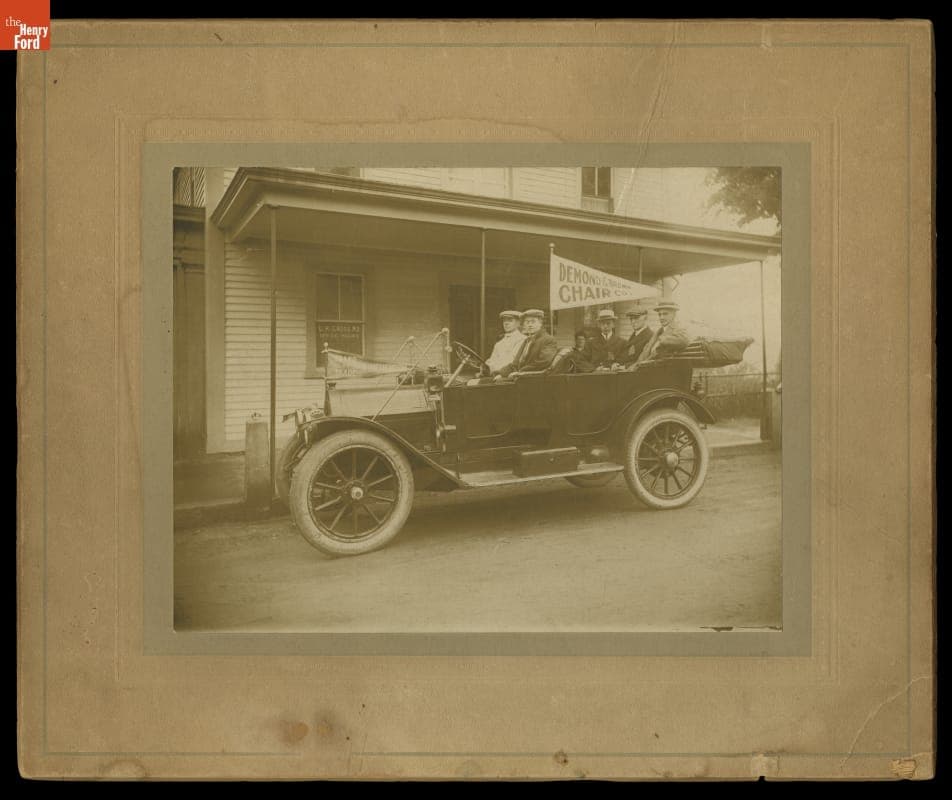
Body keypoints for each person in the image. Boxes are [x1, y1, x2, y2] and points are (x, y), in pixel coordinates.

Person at [494, 309, 559, 379]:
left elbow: (543, 362)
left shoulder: (548, 340)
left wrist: (520, 372)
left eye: (533, 322)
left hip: (537, 379)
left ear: (540, 323)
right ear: (524, 325)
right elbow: (515, 364)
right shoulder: (526, 341)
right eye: (527, 322)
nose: (530, 325)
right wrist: (500, 373)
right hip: (522, 377)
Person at [484, 310, 526, 374]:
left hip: (510, 376)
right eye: (504, 321)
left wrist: (492, 366)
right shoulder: (499, 343)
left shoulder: (522, 339)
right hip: (496, 374)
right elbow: (492, 360)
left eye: (510, 320)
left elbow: (512, 362)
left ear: (518, 323)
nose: (506, 323)